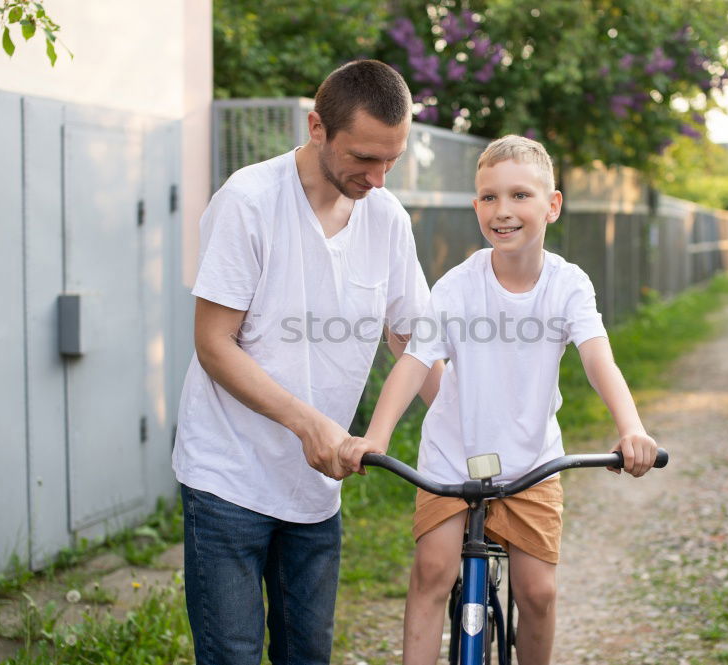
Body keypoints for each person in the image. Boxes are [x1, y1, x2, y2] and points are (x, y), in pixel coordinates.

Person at [339, 135, 659, 665]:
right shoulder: (457, 288)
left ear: (551, 204)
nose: (502, 210)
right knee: (431, 574)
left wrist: (632, 429)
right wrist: (375, 438)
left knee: (538, 594)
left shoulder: (568, 285)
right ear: (476, 207)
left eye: (519, 196)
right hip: (451, 457)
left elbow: (600, 361)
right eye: (489, 197)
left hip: (531, 461)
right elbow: (414, 362)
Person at [172, 60, 441, 665]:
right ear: (318, 127)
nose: (376, 177)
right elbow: (214, 343)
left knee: (307, 655)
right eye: (364, 158)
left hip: (316, 492)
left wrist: (472, 424)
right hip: (228, 479)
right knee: (233, 655)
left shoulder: (387, 218)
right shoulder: (248, 201)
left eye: (390, 160)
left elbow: (414, 340)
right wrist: (309, 424)